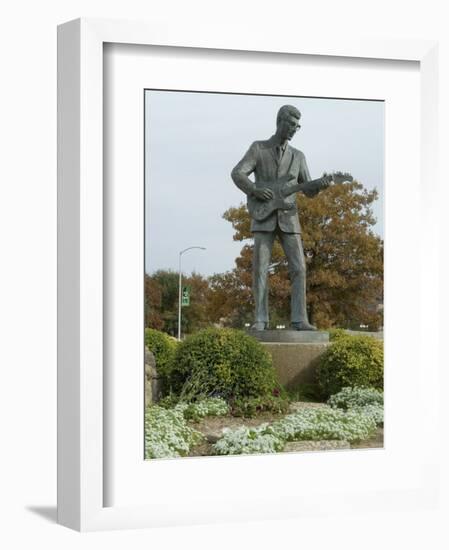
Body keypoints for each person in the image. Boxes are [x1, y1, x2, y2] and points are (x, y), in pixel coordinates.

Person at [231, 104, 328, 331]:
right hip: (263, 215)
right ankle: (260, 319)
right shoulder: (258, 148)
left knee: (299, 268)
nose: (294, 130)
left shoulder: (299, 156)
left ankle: (299, 319)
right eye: (292, 125)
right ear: (280, 122)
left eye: (297, 126)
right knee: (260, 268)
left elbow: (308, 189)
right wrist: (254, 190)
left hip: (289, 218)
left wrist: (320, 185)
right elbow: (237, 173)